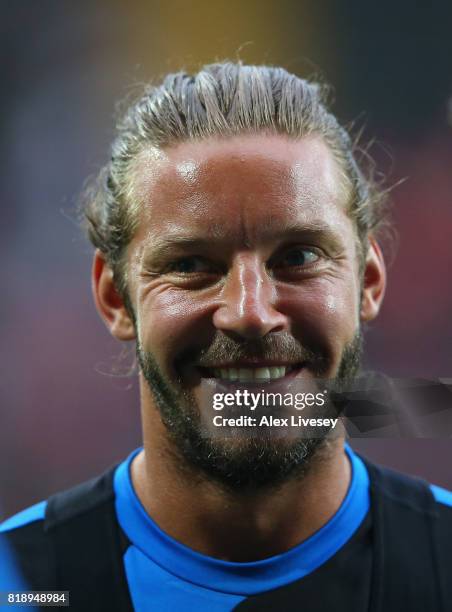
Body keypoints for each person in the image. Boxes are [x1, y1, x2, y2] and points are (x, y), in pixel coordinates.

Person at [1, 62, 451, 611]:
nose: (250, 313)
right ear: (115, 297)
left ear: (368, 281)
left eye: (299, 256)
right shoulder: (18, 584)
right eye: (191, 263)